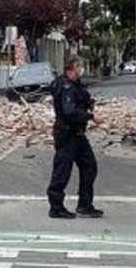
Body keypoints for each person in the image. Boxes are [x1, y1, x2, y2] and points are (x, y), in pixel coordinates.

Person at [47, 57, 104, 219]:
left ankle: (85, 204)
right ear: (73, 68)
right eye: (80, 67)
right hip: (67, 133)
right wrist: (90, 116)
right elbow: (69, 111)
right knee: (62, 170)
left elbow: (83, 98)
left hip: (78, 133)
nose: (82, 70)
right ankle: (56, 207)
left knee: (89, 166)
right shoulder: (66, 87)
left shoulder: (75, 85)